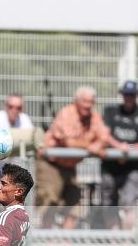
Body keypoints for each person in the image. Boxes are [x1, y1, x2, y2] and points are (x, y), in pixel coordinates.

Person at [37, 85, 110, 229]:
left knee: (75, 205)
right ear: (76, 101)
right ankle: (47, 244)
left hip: (70, 166)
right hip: (51, 163)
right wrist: (91, 147)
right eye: (84, 101)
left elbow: (105, 138)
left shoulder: (94, 116)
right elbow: (70, 142)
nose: (88, 106)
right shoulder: (66, 114)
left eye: (91, 102)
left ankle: (65, 245)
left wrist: (96, 145)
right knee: (50, 203)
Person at [100, 80, 138, 230]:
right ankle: (114, 240)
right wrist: (119, 147)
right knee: (109, 204)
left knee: (128, 205)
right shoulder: (110, 111)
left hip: (132, 167)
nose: (129, 98)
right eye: (126, 95)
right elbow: (104, 135)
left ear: (137, 95)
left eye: (132, 95)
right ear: (122, 95)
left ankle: (126, 242)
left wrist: (130, 148)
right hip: (110, 166)